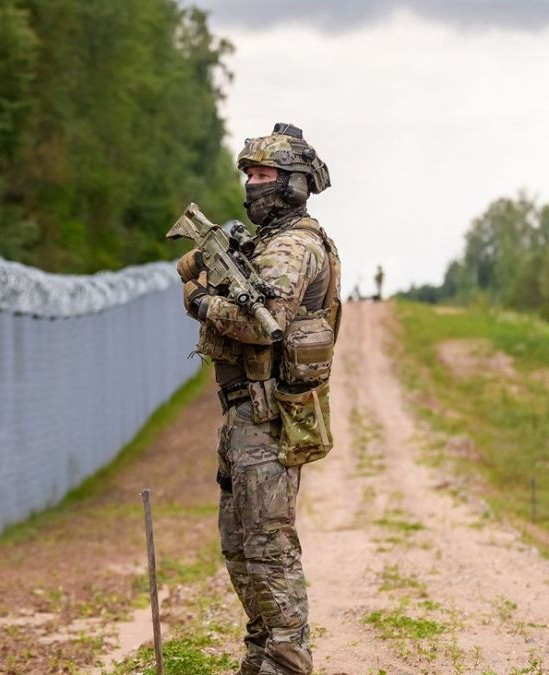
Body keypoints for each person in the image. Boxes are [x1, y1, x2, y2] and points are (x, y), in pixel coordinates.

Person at [178, 123, 340, 675]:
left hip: (267, 414)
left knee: (266, 545)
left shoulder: (294, 246)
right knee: (238, 543)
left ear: (295, 182)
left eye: (264, 173)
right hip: (244, 413)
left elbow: (259, 325)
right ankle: (262, 651)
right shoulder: (268, 242)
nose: (252, 183)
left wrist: (200, 302)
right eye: (248, 173)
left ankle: (288, 657)